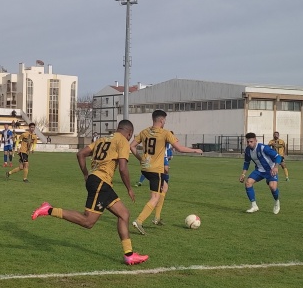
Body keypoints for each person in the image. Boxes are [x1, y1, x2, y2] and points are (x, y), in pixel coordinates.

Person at [31, 120, 149, 265]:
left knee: (124, 214)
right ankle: (49, 210)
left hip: (100, 181)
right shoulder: (123, 141)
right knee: (88, 221)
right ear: (129, 133)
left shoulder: (102, 139)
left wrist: (86, 174)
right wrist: (129, 188)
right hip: (101, 182)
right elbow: (123, 168)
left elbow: (81, 154)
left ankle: (129, 255)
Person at [130, 110, 203, 234]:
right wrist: (195, 150)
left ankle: (157, 218)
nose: (165, 122)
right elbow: (179, 148)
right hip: (155, 170)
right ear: (162, 120)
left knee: (164, 187)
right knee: (155, 197)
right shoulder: (165, 133)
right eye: (165, 120)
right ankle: (139, 221)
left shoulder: (144, 131)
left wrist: (141, 159)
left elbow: (132, 146)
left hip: (145, 168)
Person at [239, 132, 282, 214]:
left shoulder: (263, 148)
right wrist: (243, 174)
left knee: (272, 187)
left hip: (270, 170)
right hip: (259, 170)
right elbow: (246, 163)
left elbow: (278, 157)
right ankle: (254, 206)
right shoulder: (247, 150)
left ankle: (277, 202)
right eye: (248, 142)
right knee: (248, 183)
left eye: (251, 141)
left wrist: (276, 167)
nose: (249, 143)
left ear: (255, 140)